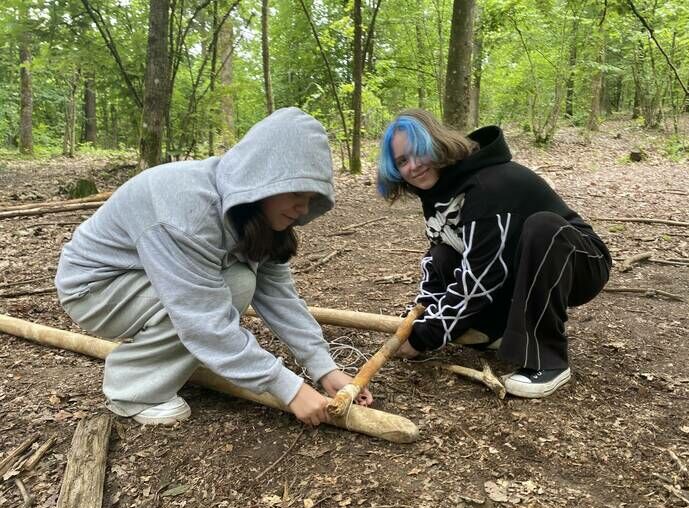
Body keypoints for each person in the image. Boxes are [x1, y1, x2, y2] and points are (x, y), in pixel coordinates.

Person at [55, 107, 371, 426]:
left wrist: (323, 367)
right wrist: (289, 389)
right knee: (236, 286)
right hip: (95, 289)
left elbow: (279, 296)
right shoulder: (187, 211)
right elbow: (201, 318)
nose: (303, 208)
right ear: (263, 177)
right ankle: (133, 388)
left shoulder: (254, 211)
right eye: (296, 193)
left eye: (311, 197)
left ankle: (173, 358)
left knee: (238, 283)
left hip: (140, 279)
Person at [376, 109, 611, 398]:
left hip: (578, 261)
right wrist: (421, 316)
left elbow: (480, 277)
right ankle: (493, 331)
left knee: (542, 227)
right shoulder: (438, 190)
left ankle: (548, 360)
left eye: (419, 152)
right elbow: (438, 259)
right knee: (443, 254)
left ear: (436, 144)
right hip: (520, 268)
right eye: (402, 161)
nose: (414, 166)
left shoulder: (486, 186)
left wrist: (426, 336)